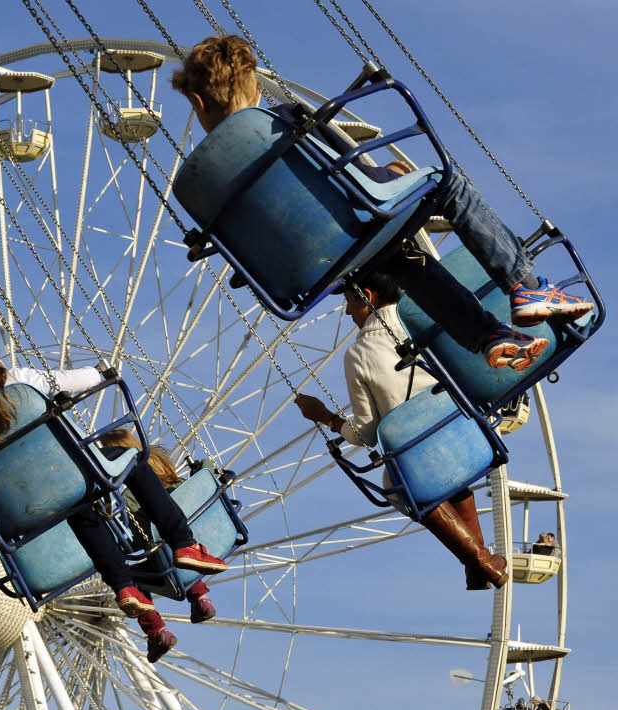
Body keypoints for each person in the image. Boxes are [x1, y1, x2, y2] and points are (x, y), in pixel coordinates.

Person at [171, 35, 593, 373]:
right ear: (255, 86)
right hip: (353, 227)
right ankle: (526, 287)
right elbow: (353, 177)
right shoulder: (280, 123)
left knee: (400, 259)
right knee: (449, 186)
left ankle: (490, 337)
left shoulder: (202, 184)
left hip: (314, 271)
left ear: (198, 103)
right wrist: (389, 174)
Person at [0, 319, 228, 660]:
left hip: (21, 515)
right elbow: (85, 380)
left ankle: (125, 586)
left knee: (82, 505)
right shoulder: (23, 381)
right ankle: (183, 544)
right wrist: (99, 372)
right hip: (69, 481)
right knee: (131, 460)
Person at [294, 270, 507, 589]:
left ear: (367, 296)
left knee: (401, 480)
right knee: (447, 472)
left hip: (420, 460)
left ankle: (477, 558)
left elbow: (366, 435)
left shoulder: (358, 354)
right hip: (470, 438)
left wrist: (325, 416)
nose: (348, 311)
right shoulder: (428, 318)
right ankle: (479, 563)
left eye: (350, 302)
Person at [100, 428, 220, 661]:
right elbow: (208, 471)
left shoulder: (130, 491)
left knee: (129, 580)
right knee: (181, 552)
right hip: (204, 540)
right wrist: (204, 468)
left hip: (168, 555)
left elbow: (133, 541)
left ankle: (158, 632)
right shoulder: (168, 473)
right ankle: (201, 599)